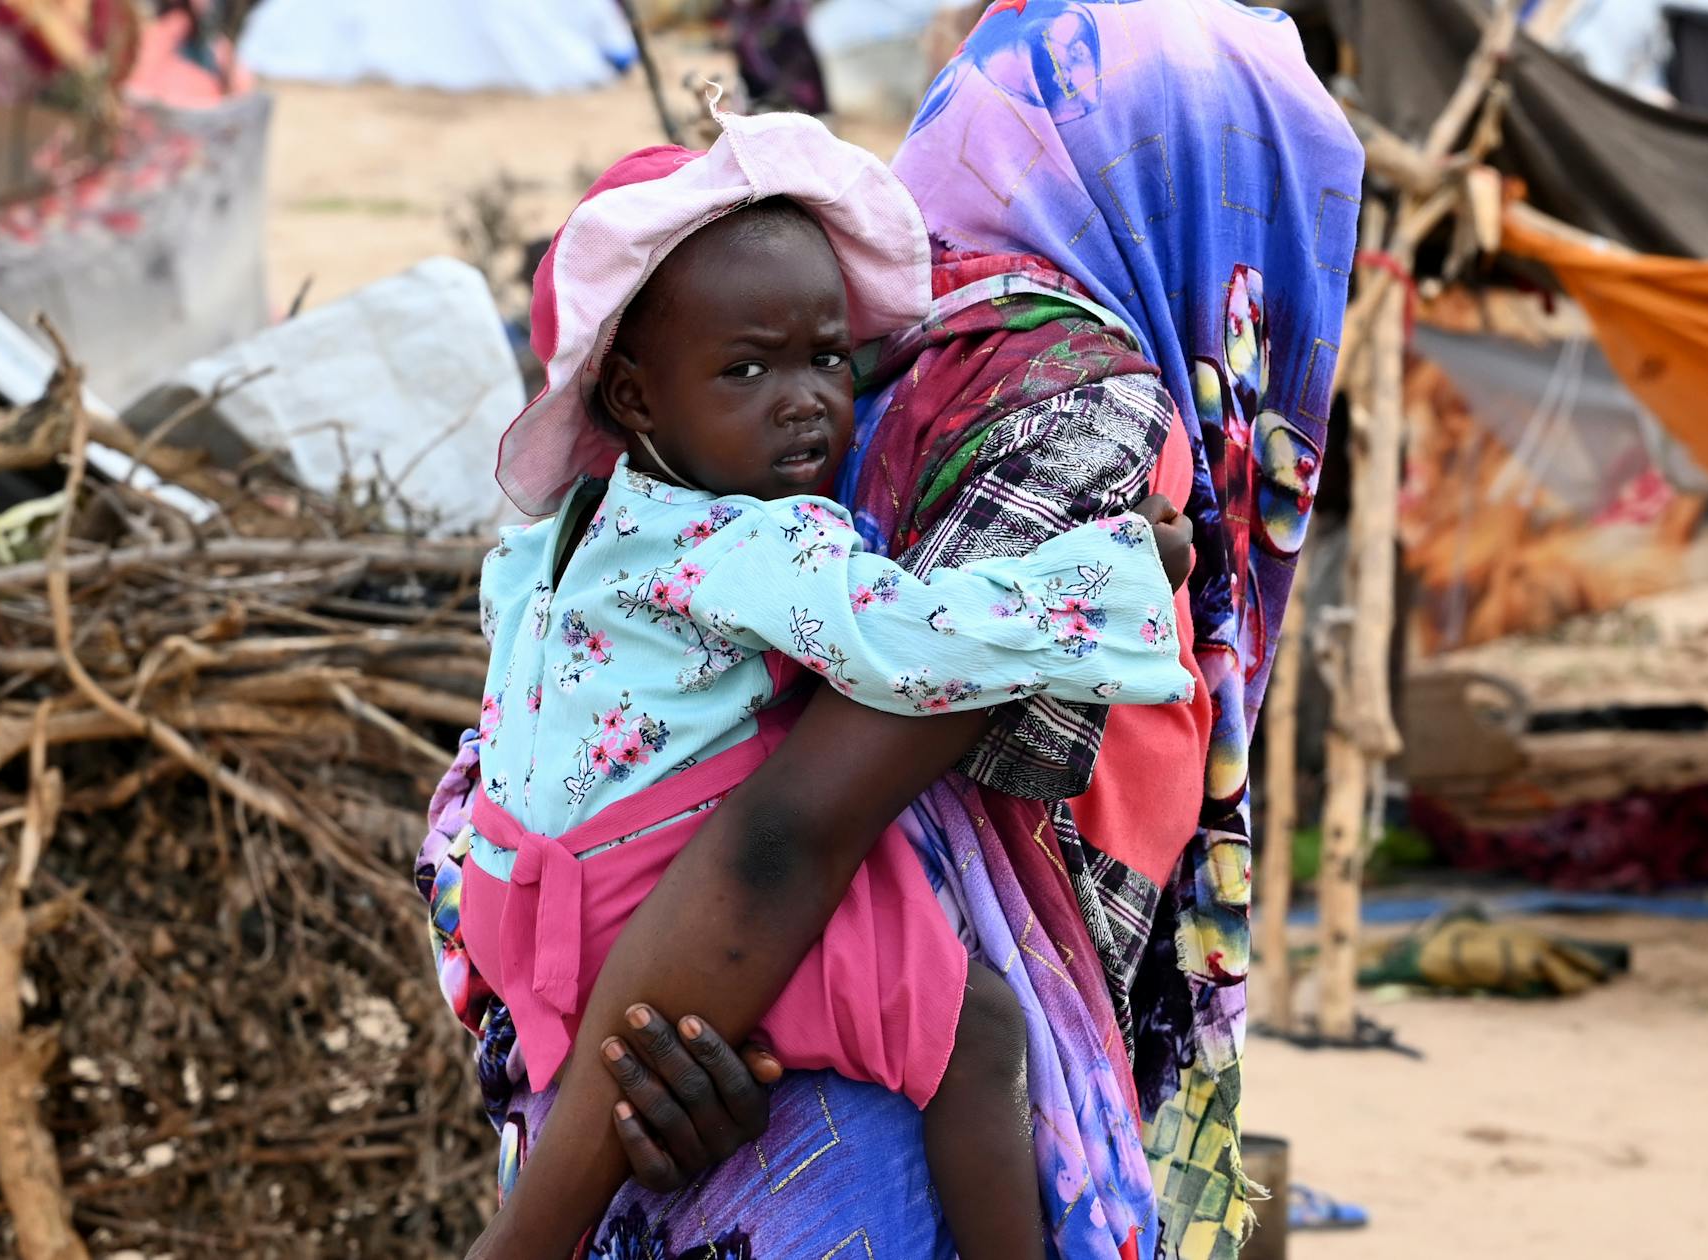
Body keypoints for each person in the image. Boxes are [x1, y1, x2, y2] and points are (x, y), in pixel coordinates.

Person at [419, 4, 1360, 1258]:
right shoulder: (1071, 403)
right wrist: (1131, 572)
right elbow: (799, 814)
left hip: (664, 1025)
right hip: (822, 1100)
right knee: (980, 1038)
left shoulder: (839, 341)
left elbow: (501, 785)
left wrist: (586, 1052)